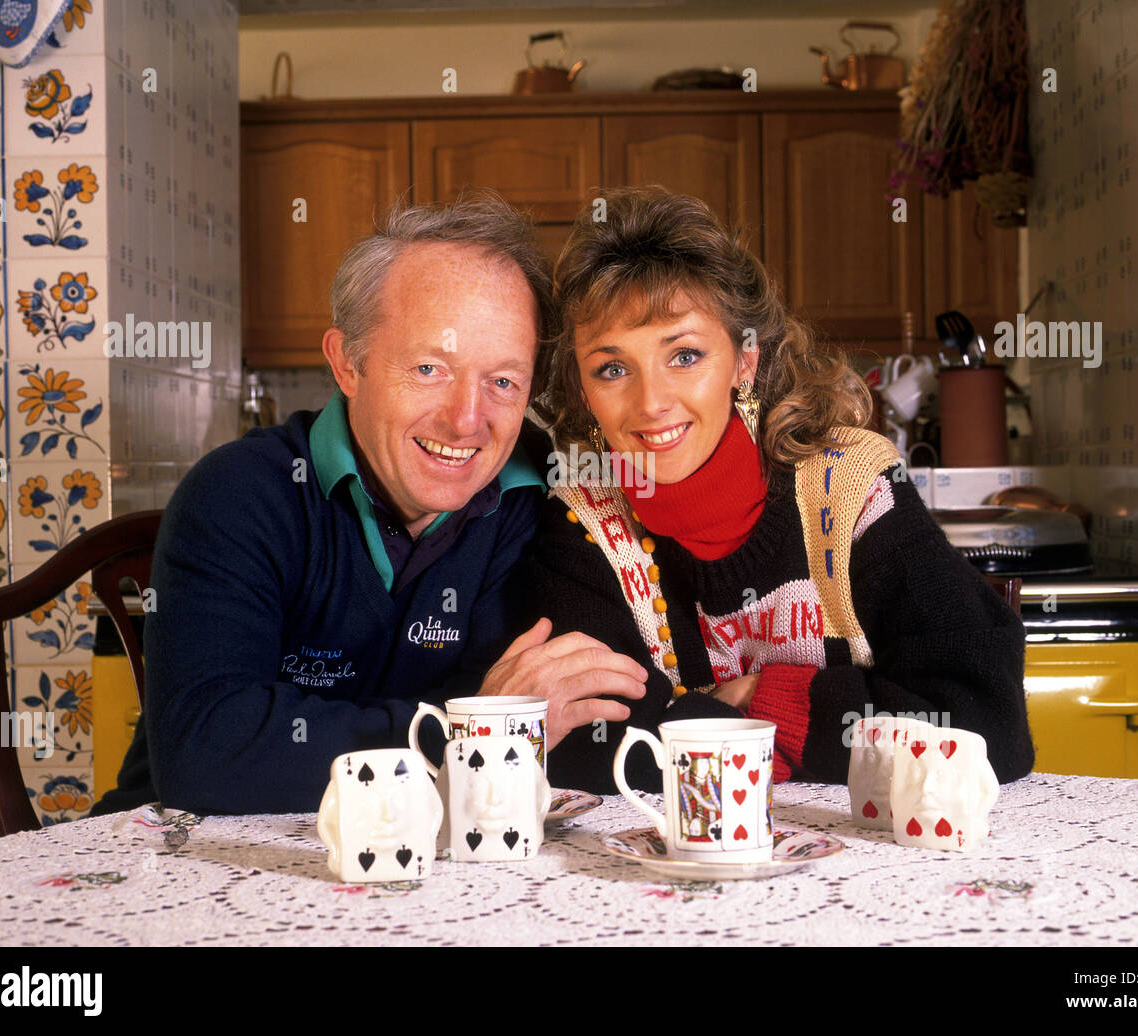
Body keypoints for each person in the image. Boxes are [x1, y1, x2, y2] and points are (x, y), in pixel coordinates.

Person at [93, 194, 647, 816]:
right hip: (184, 864)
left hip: (418, 864)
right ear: (347, 363)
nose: (467, 420)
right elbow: (208, 756)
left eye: (502, 382)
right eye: (430, 368)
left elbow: (576, 717)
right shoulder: (237, 496)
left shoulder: (535, 500)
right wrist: (475, 731)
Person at [535, 187, 1035, 795]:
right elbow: (584, 747)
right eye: (612, 368)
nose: (651, 402)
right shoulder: (583, 527)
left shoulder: (850, 490)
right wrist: (836, 722)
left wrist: (769, 702)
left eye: (685, 355)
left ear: (744, 362)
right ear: (583, 390)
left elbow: (988, 727)